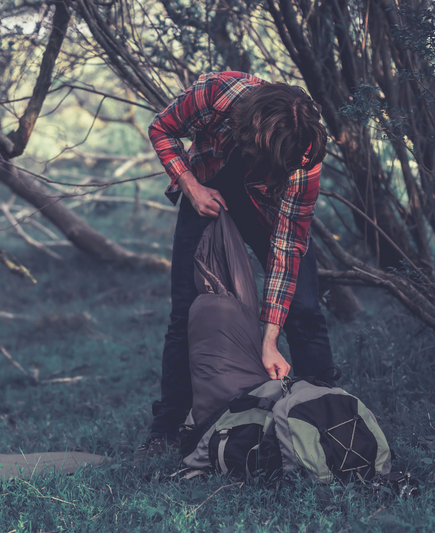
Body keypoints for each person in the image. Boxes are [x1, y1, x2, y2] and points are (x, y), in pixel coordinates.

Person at [141, 71, 334, 455]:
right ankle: (168, 425)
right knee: (187, 310)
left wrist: (269, 338)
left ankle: (326, 413)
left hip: (270, 206)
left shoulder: (305, 151)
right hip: (207, 187)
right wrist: (189, 185)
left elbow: (287, 246)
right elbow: (162, 128)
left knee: (305, 309)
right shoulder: (216, 94)